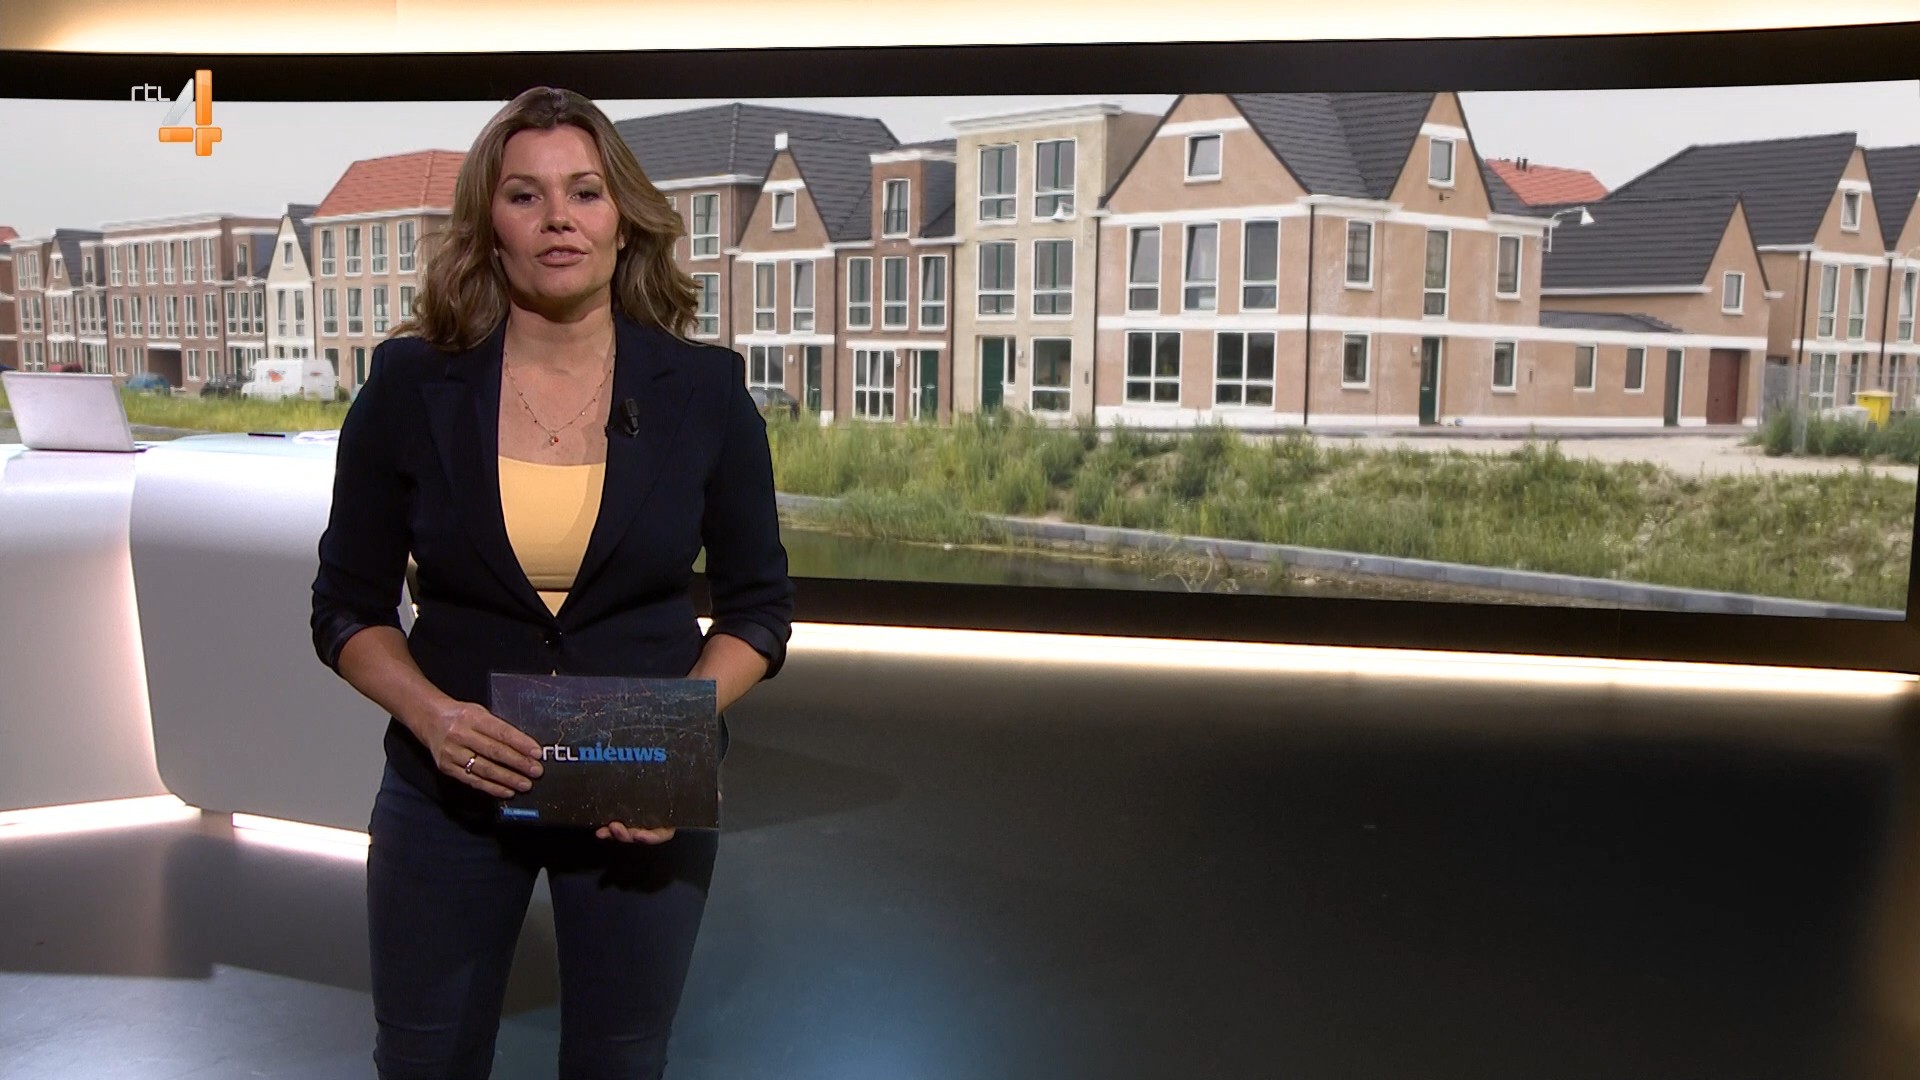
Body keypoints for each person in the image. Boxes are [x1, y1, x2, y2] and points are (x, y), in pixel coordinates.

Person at [309, 86, 793, 1079]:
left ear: (624, 219)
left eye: (585, 191)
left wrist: (672, 735)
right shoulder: (409, 385)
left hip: (637, 784)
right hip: (450, 786)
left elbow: (758, 611)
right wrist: (434, 716)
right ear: (490, 225)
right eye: (526, 196)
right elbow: (346, 608)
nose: (559, 218)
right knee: (425, 1061)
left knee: (619, 1062)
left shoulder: (705, 392)